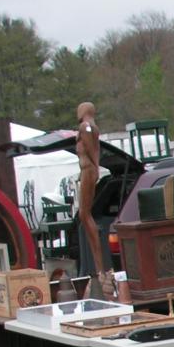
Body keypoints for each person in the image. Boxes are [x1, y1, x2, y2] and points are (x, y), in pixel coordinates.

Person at [75, 102, 113, 297]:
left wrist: (95, 167)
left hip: (88, 170)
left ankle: (99, 267)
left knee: (84, 214)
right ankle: (99, 265)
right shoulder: (92, 127)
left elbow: (91, 148)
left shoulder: (85, 127)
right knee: (84, 214)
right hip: (88, 170)